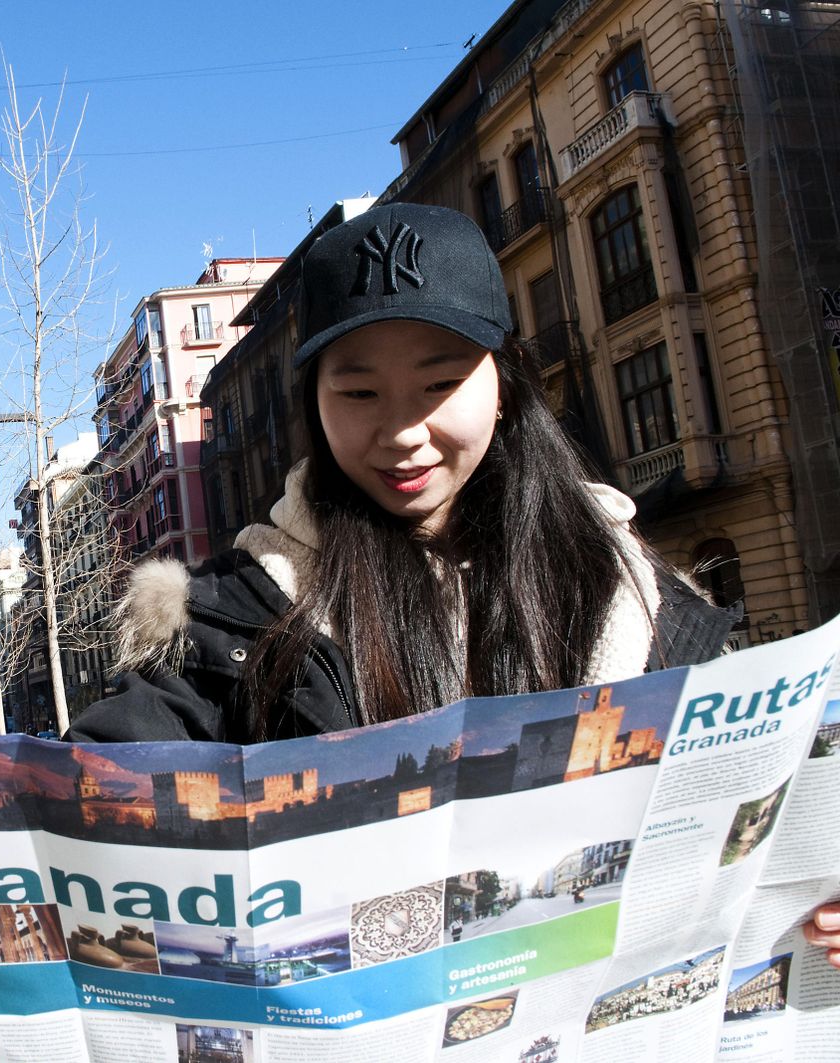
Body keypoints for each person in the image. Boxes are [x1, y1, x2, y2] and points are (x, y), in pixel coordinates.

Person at [65, 202, 840, 969]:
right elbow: (86, 792)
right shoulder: (236, 623)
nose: (402, 432)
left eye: (439, 383)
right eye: (359, 392)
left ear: (504, 384)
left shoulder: (640, 600)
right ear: (316, 403)